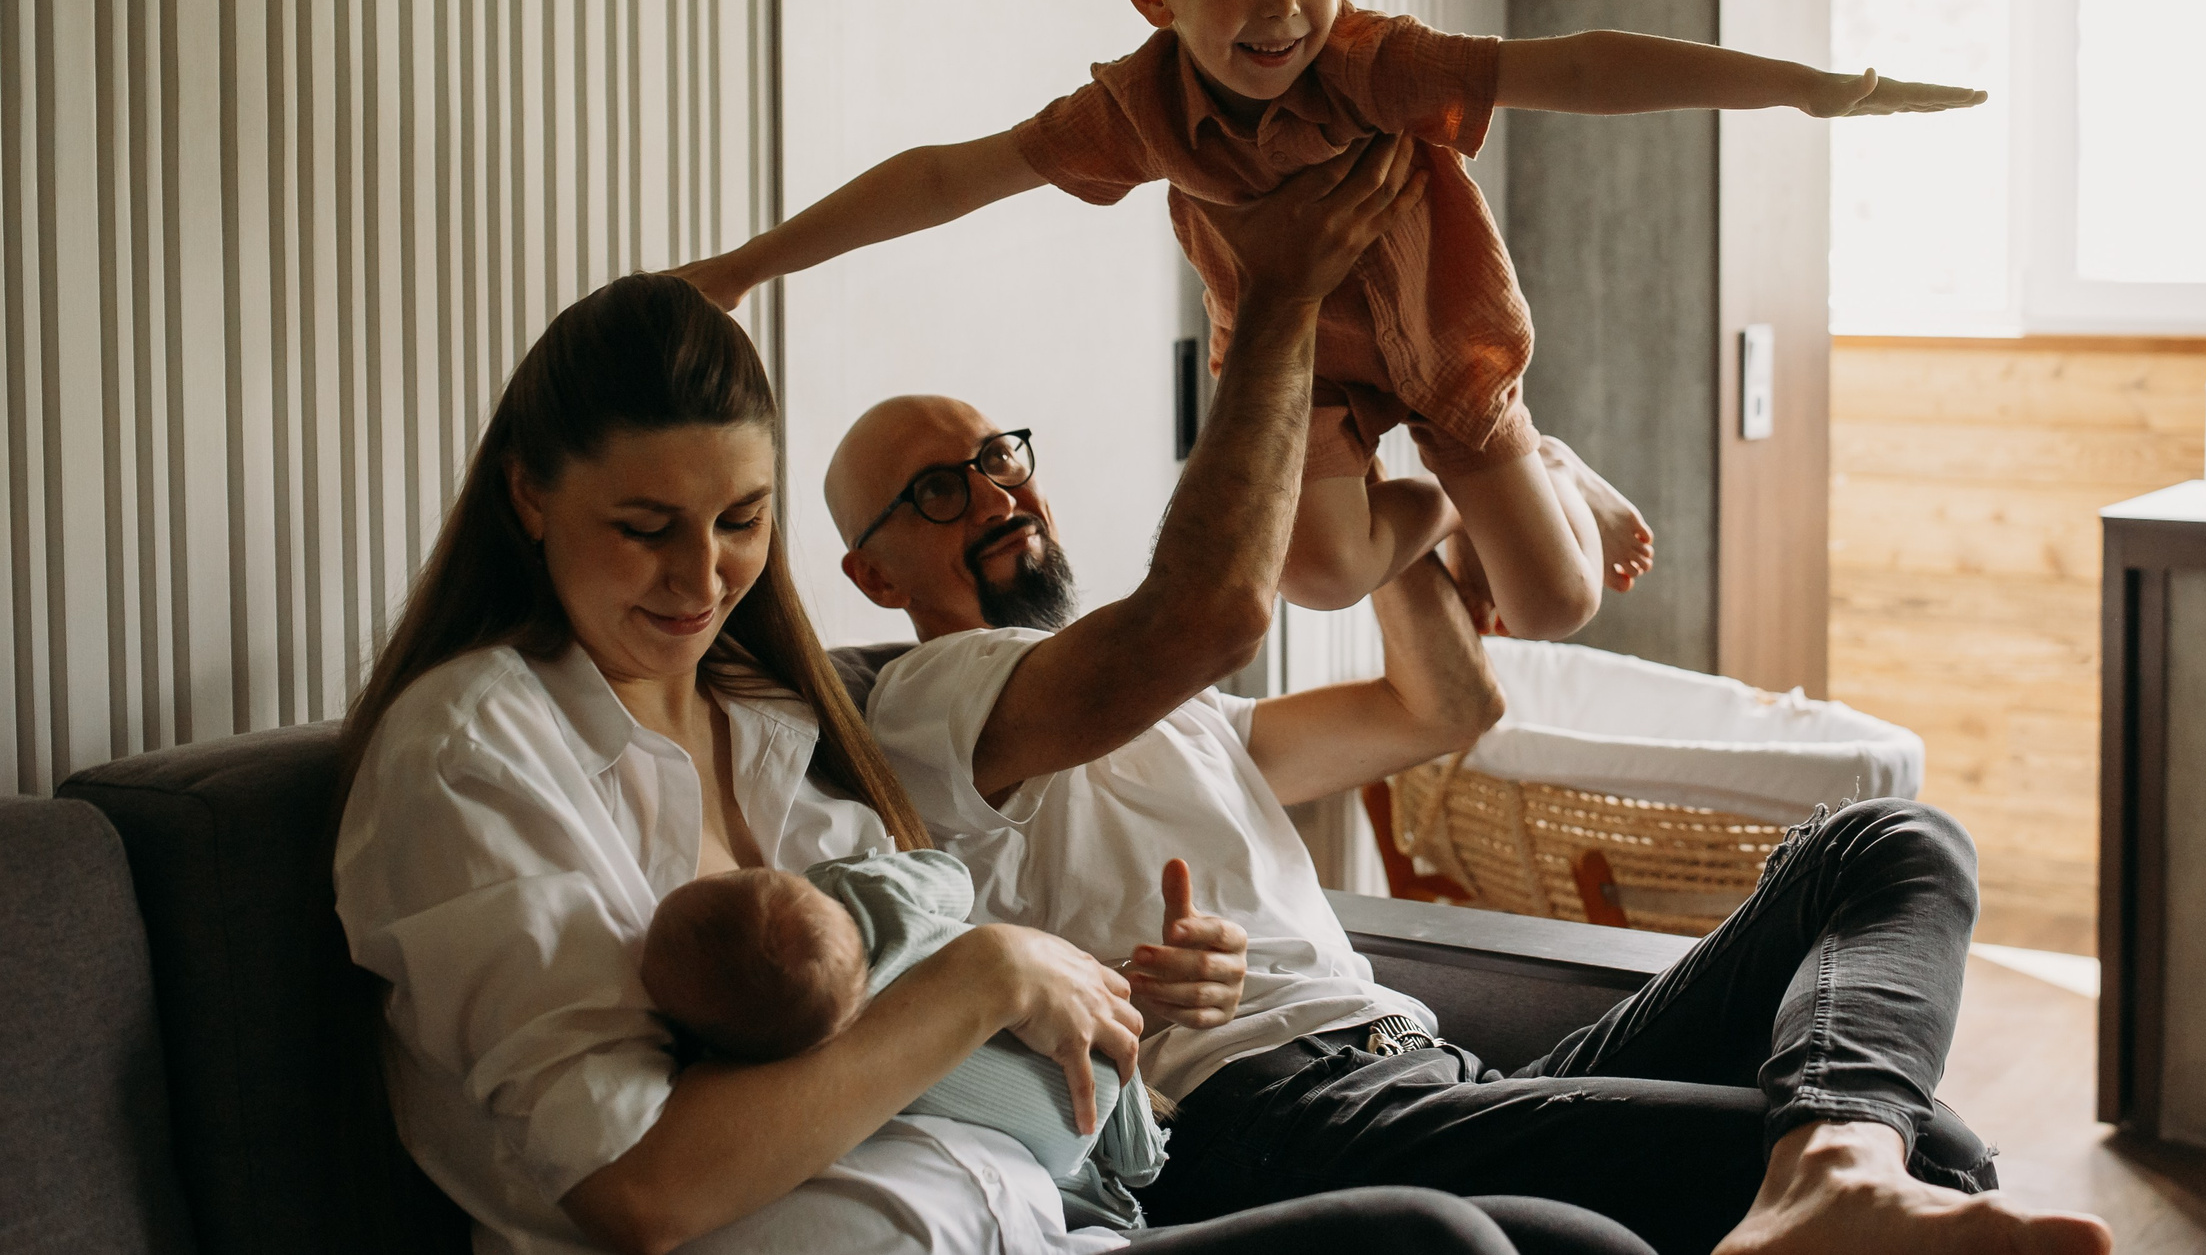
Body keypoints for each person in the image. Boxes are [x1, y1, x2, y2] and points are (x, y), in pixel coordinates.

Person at [826, 176, 2111, 1253]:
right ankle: (1845, 1172)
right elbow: (1201, 616)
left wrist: (1413, 468)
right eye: (936, 489)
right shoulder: (938, 700)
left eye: (999, 456)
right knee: (1936, 1150)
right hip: (1267, 1117)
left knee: (1888, 843)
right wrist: (1316, 346)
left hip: (1424, 1071)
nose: (992, 494)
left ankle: (1834, 1166)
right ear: (873, 575)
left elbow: (1440, 704)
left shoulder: (1181, 715)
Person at [328, 265, 1648, 1255]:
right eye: (644, 526)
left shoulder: (780, 727)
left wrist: (1096, 990)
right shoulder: (482, 745)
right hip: (1061, 1184)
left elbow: (1435, 705)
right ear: (530, 495)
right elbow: (637, 1185)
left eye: (738, 520)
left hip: (1065, 1207)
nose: (700, 575)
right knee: (1441, 1241)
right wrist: (1293, 312)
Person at [675, 0, 1981, 642]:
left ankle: (1545, 464)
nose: (1286, 7)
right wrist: (741, 267)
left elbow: (1580, 67)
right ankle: (1452, 506)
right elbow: (944, 177)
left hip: (1444, 345)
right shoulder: (1136, 113)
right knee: (1314, 574)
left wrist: (1807, 87)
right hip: (1299, 370)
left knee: (1552, 604)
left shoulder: (1370, 63)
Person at [641, 853, 1168, 1230]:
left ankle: (1122, 1201)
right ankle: (1145, 1157)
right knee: (1122, 1108)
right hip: (1092, 1049)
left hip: (1054, 1145)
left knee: (1080, 1175)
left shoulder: (807, 1066)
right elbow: (954, 878)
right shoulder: (866, 894)